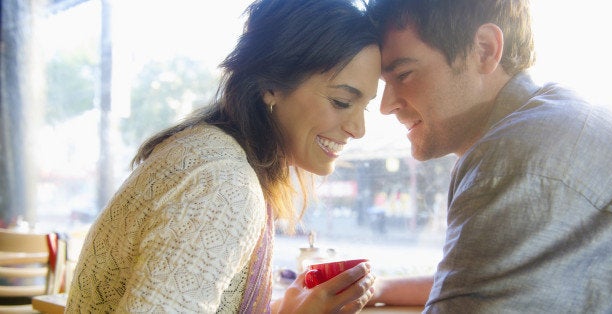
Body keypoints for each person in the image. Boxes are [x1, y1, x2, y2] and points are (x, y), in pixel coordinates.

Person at [65, 0, 381, 312]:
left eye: (364, 106)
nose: (359, 129)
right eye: (341, 101)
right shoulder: (224, 184)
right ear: (271, 85)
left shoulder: (208, 151)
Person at [365, 0, 612, 313]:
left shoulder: (515, 162)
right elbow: (489, 277)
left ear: (485, 50)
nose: (386, 105)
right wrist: (379, 287)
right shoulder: (552, 116)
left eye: (404, 74)